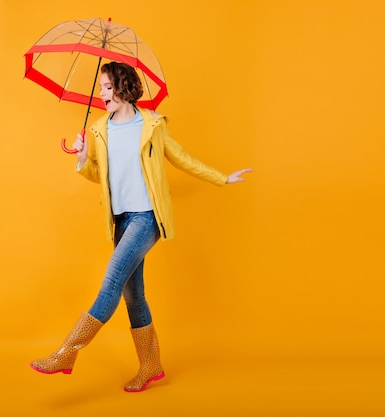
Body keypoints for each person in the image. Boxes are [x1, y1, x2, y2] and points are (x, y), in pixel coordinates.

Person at [30, 61, 252, 392]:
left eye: (107, 87)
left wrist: (222, 177)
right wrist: (81, 159)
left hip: (147, 216)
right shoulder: (98, 130)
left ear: (123, 88)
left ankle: (66, 353)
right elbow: (98, 176)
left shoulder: (151, 125)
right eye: (101, 87)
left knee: (111, 283)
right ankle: (151, 365)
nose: (101, 93)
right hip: (120, 218)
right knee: (134, 294)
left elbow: (182, 157)